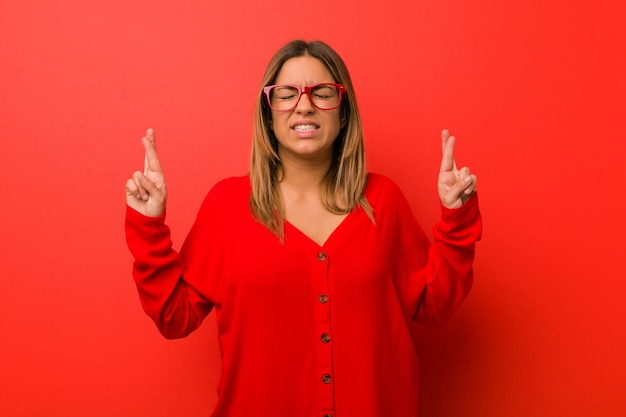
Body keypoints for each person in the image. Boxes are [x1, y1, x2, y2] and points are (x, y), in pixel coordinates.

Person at [125, 40, 482, 417]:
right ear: (269, 113)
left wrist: (456, 220)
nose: (305, 104)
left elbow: (434, 306)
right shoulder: (227, 205)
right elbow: (173, 316)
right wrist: (149, 226)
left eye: (323, 92)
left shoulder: (384, 201)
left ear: (343, 114)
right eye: (286, 94)